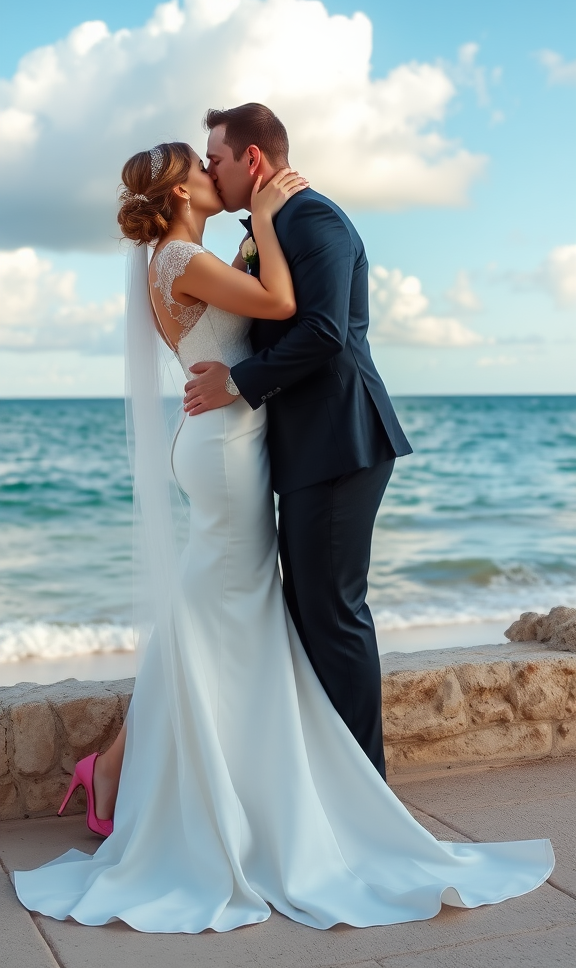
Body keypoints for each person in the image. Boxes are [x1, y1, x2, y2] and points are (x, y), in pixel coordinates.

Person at [13, 138, 554, 933]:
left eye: (213, 158)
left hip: (225, 441)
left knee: (216, 602)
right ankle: (158, 780)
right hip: (226, 447)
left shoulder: (180, 255)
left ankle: (123, 770)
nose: (209, 172)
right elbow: (277, 306)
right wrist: (267, 220)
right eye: (198, 168)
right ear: (179, 190)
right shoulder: (182, 259)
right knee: (223, 599)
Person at [184, 103, 413, 778]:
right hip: (309, 449)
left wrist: (238, 382)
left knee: (333, 614)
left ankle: (363, 788)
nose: (208, 170)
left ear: (252, 160)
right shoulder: (272, 228)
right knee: (309, 611)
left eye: (216, 159)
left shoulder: (313, 219)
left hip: (341, 441)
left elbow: (324, 331)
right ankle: (330, 783)